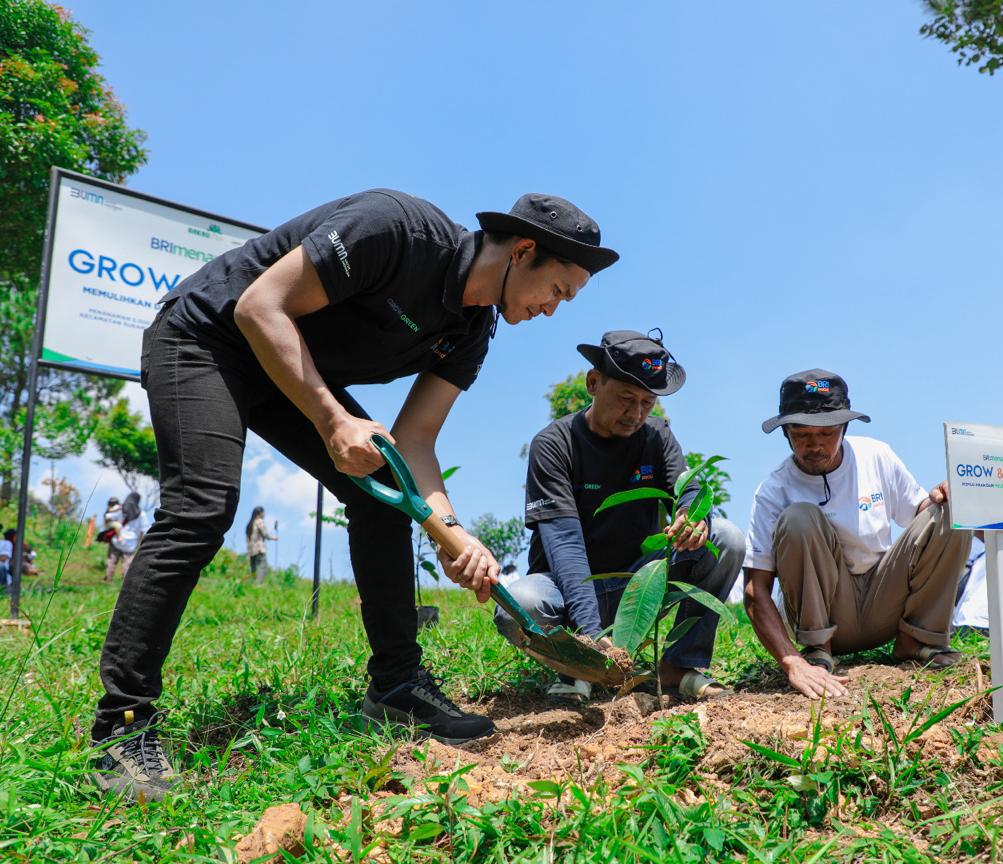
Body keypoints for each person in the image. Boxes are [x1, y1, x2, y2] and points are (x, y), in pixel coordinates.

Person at [90, 190, 618, 802]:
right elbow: (260, 307)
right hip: (207, 337)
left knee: (382, 493)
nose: (554, 310)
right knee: (202, 508)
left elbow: (415, 442)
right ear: (523, 251)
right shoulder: (396, 230)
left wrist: (454, 535)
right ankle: (121, 726)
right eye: (559, 290)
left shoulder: (469, 332)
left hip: (287, 370)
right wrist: (331, 419)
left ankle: (397, 691)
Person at [496, 330, 745, 703]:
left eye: (648, 402)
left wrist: (693, 516)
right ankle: (576, 666)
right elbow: (564, 544)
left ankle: (680, 667)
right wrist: (591, 635)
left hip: (638, 583)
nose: (636, 414)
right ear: (593, 383)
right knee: (521, 604)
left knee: (725, 538)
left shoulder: (657, 436)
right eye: (626, 399)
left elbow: (689, 487)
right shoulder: (553, 445)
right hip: (566, 588)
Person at [742, 369, 971, 701]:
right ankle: (817, 650)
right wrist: (792, 663)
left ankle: (918, 641)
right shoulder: (774, 490)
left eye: (827, 433)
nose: (815, 445)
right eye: (801, 434)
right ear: (786, 433)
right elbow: (755, 590)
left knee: (951, 510)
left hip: (884, 601)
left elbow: (924, 516)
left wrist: (946, 497)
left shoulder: (876, 456)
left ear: (845, 428)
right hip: (827, 613)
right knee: (799, 518)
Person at [105, 493, 150, 582]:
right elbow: (143, 531)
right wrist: (141, 545)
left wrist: (111, 525)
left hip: (117, 540)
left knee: (111, 561)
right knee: (127, 566)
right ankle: (124, 584)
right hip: (130, 545)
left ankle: (108, 580)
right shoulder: (142, 515)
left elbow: (108, 517)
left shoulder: (120, 509)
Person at [245, 506, 276, 584]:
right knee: (263, 568)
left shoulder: (250, 524)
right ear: (260, 513)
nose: (264, 514)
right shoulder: (260, 521)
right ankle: (258, 586)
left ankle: (252, 586)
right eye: (264, 512)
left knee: (254, 569)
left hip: (251, 551)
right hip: (259, 549)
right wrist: (274, 538)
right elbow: (265, 534)